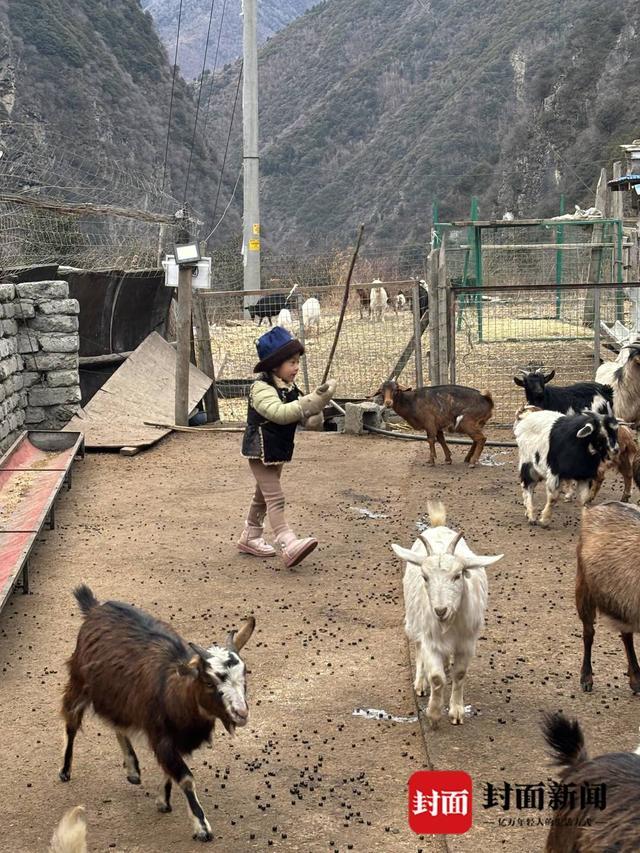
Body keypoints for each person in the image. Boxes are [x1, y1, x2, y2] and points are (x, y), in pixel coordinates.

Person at [239, 326, 337, 568]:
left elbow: (302, 415)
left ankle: (250, 537)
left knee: (262, 496)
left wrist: (314, 416)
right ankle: (287, 541)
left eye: (297, 362)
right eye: (291, 362)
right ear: (274, 365)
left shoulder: (289, 388)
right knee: (275, 497)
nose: (295, 367)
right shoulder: (261, 388)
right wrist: (310, 402)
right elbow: (280, 414)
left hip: (277, 451)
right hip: (260, 450)